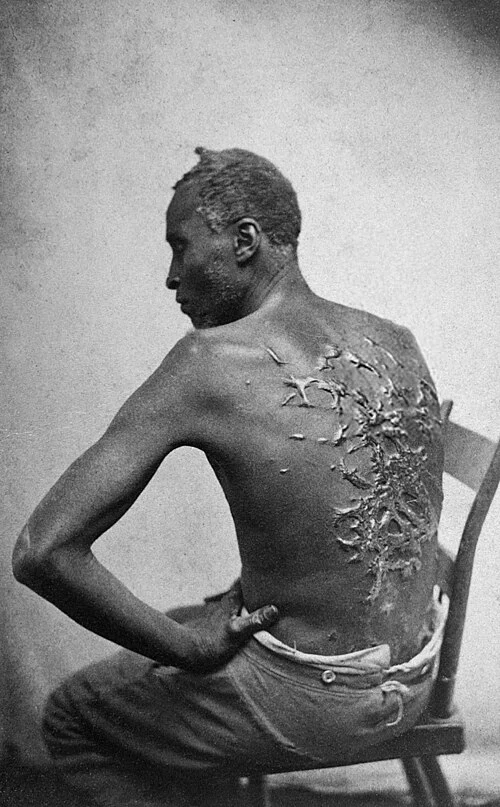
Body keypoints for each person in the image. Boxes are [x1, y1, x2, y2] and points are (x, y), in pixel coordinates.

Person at [12, 148, 446, 807]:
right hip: (415, 680)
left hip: (311, 703)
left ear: (244, 241)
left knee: (72, 716)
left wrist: (188, 650)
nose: (170, 276)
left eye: (181, 246)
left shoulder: (206, 361)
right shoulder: (398, 340)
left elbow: (40, 551)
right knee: (192, 624)